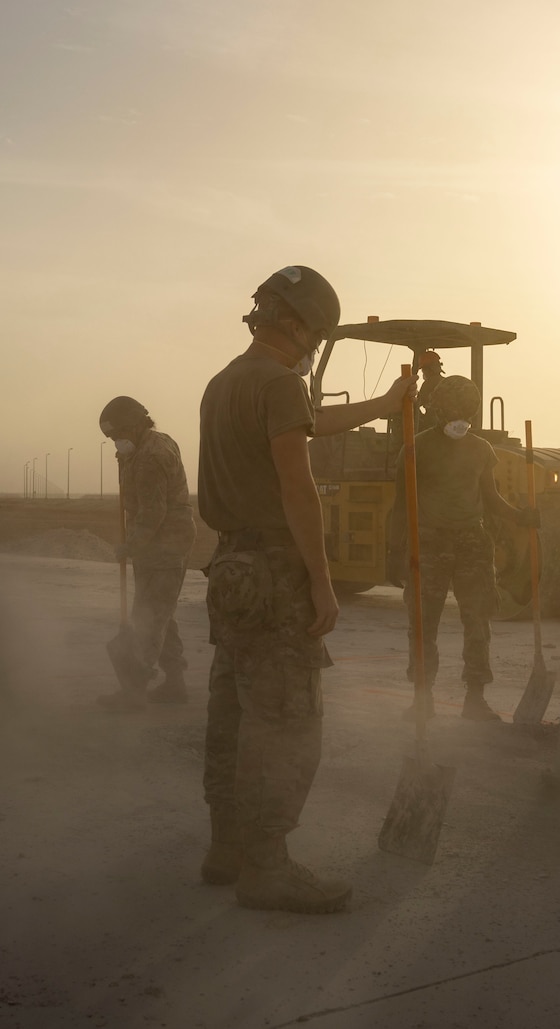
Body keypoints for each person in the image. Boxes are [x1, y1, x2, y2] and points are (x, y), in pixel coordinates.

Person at [197, 265, 412, 914]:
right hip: (275, 575)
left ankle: (227, 848)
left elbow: (309, 419)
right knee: (287, 721)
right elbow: (298, 487)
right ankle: (267, 867)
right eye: (316, 334)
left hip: (230, 569)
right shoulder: (280, 383)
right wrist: (322, 580)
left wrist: (384, 406)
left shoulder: (225, 382)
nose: (314, 346)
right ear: (295, 326)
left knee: (233, 712)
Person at [405, 370, 538, 722]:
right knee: (422, 623)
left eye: (465, 411)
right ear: (438, 410)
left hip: (472, 543)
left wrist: (520, 517)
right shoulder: (417, 447)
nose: (458, 418)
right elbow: (402, 503)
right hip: (430, 542)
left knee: (477, 622)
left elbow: (490, 498)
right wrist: (397, 549)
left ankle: (475, 700)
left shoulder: (481, 450)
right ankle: (422, 699)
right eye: (452, 411)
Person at [97, 395, 197, 711]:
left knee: (149, 616)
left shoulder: (152, 457)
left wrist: (131, 545)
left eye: (118, 435)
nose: (116, 442)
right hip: (157, 543)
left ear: (136, 425)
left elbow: (153, 512)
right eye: (112, 438)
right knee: (160, 611)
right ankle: (175, 684)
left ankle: (133, 691)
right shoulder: (143, 448)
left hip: (166, 543)